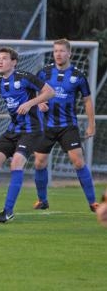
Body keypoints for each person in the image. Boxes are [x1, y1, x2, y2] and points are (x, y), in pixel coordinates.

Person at [0, 47, 55, 223]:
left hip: (32, 130)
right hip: (13, 130)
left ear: (14, 62)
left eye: (4, 58)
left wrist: (31, 103)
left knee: (16, 163)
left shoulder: (24, 77)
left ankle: (8, 211)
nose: (0, 61)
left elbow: (50, 92)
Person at [32, 39, 99, 212]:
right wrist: (39, 103)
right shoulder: (44, 73)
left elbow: (87, 101)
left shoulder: (78, 75)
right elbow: (33, 91)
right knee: (39, 163)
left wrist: (92, 125)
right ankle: (42, 200)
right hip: (46, 125)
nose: (58, 54)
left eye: (62, 51)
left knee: (78, 162)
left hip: (68, 125)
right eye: (55, 51)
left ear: (69, 53)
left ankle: (93, 202)